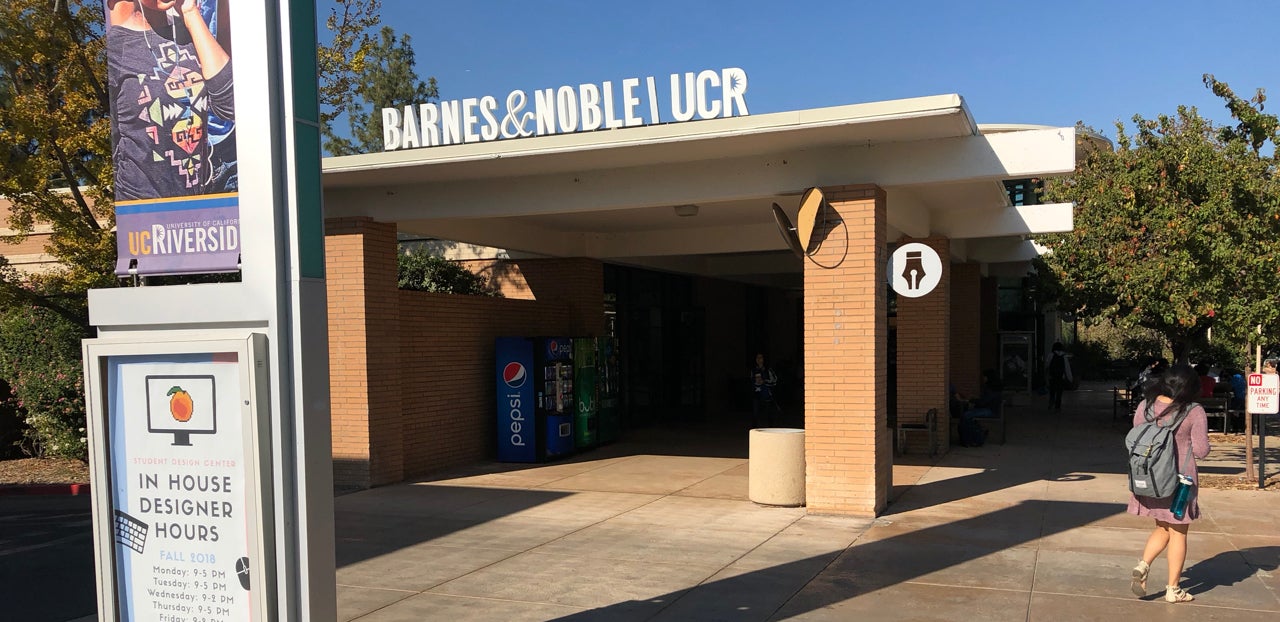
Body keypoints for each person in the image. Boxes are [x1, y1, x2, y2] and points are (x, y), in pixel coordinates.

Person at [106, 0, 235, 201]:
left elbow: (229, 107)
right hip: (141, 204)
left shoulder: (192, 33)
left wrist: (191, 13)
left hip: (197, 202)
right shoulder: (120, 44)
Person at [1128, 364, 1211, 603]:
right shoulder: (1193, 410)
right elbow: (1202, 450)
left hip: (1150, 477)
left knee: (1162, 527)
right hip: (1180, 482)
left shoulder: (1146, 405)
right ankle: (1173, 589)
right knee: (1178, 533)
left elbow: (1137, 433)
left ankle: (1143, 566)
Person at [749, 353, 778, 427]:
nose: (759, 359)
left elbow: (774, 380)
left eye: (761, 358)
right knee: (755, 413)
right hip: (756, 394)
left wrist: (764, 381)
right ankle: (754, 430)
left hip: (766, 394)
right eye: (757, 358)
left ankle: (770, 429)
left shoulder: (768, 369)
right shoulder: (753, 370)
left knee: (768, 413)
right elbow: (751, 380)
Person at [1045, 342, 1073, 411]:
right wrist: (1070, 378)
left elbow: (1047, 365)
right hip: (1061, 377)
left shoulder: (1051, 355)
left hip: (1052, 377)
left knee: (1052, 391)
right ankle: (1057, 407)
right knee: (1059, 392)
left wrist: (1046, 376)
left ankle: (1051, 403)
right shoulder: (1064, 356)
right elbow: (1067, 368)